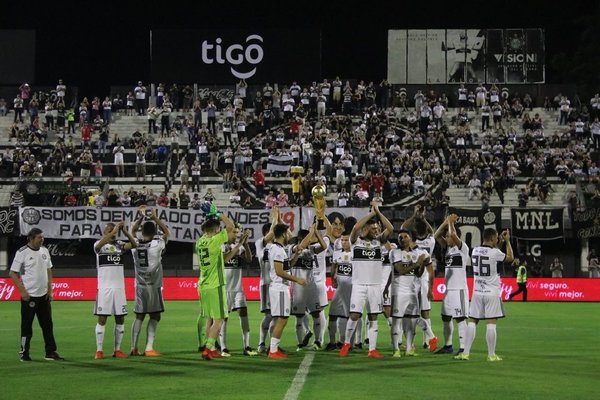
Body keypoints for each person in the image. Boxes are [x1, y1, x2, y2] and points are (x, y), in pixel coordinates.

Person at [339, 202, 391, 359]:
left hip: (375, 286)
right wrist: (370, 214)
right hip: (359, 285)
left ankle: (372, 349)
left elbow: (391, 229)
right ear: (364, 229)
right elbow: (355, 228)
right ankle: (347, 343)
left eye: (375, 228)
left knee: (373, 316)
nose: (373, 231)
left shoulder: (378, 242)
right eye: (370, 228)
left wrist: (378, 212)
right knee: (354, 315)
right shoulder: (355, 242)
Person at [455, 228, 513, 362]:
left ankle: (466, 353)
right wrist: (507, 242)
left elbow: (491, 253)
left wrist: (499, 243)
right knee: (491, 323)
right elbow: (510, 258)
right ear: (492, 238)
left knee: (472, 322)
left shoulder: (475, 250)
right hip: (491, 293)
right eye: (497, 237)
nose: (498, 239)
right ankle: (491, 355)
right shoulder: (495, 252)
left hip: (477, 292)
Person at [9, 228, 63, 361]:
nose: (42, 239)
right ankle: (24, 353)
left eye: (42, 237)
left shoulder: (44, 251)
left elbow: (49, 270)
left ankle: (50, 352)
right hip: (30, 297)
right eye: (39, 237)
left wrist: (50, 291)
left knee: (48, 325)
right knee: (27, 327)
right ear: (31, 238)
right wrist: (23, 291)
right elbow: (12, 273)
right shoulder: (22, 252)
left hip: (44, 296)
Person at [129, 207, 171, 356]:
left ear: (142, 231)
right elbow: (167, 233)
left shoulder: (134, 243)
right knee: (155, 315)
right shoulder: (157, 244)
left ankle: (134, 348)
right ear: (154, 232)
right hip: (153, 286)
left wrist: (140, 218)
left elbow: (132, 231)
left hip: (140, 285)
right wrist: (155, 218)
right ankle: (148, 348)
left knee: (139, 316)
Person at [196, 208, 237, 360]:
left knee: (210, 318)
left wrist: (209, 218)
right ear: (217, 229)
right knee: (219, 319)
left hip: (203, 285)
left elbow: (221, 257)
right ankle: (208, 348)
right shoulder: (215, 240)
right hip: (216, 284)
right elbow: (231, 227)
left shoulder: (200, 242)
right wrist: (218, 213)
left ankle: (211, 347)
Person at [93, 222, 137, 359]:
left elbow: (134, 244)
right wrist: (114, 231)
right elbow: (99, 245)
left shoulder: (119, 245)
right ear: (104, 232)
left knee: (120, 318)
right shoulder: (98, 245)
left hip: (119, 288)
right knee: (102, 318)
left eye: (114, 231)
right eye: (109, 230)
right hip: (104, 288)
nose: (113, 233)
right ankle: (99, 350)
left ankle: (117, 350)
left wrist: (124, 232)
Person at [401, 205, 438, 352]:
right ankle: (427, 341)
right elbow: (432, 232)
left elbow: (404, 227)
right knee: (424, 312)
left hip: (411, 281)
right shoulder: (430, 243)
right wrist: (423, 219)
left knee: (408, 314)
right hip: (424, 281)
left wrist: (414, 215)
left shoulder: (409, 245)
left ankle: (414, 343)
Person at [268, 222, 307, 359]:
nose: (290, 235)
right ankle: (273, 351)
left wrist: (296, 255)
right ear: (284, 234)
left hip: (279, 287)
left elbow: (287, 266)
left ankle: (274, 348)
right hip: (280, 287)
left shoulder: (278, 248)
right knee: (283, 319)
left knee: (280, 319)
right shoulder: (277, 250)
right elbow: (279, 272)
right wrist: (297, 280)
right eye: (288, 232)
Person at [390, 229, 431, 357]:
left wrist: (422, 264)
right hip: (399, 291)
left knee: (412, 321)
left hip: (412, 292)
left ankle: (409, 349)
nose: (402, 239)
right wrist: (417, 263)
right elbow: (400, 270)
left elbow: (418, 274)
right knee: (397, 321)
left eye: (405, 236)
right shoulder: (394, 252)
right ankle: (396, 349)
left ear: (410, 239)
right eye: (400, 237)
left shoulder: (415, 254)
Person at [434, 214, 469, 354]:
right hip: (448, 290)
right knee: (446, 317)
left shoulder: (462, 248)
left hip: (459, 289)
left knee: (460, 318)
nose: (446, 238)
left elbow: (453, 234)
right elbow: (436, 235)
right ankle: (448, 346)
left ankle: (463, 348)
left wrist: (450, 224)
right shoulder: (448, 249)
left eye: (448, 236)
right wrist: (445, 222)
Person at [219, 226, 257, 357]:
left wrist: (245, 245)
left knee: (244, 313)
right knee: (224, 318)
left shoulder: (239, 246)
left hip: (238, 288)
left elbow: (249, 259)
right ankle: (223, 347)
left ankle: (247, 346)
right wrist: (239, 245)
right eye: (233, 232)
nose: (236, 234)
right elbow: (223, 259)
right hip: (224, 288)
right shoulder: (220, 246)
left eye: (237, 232)